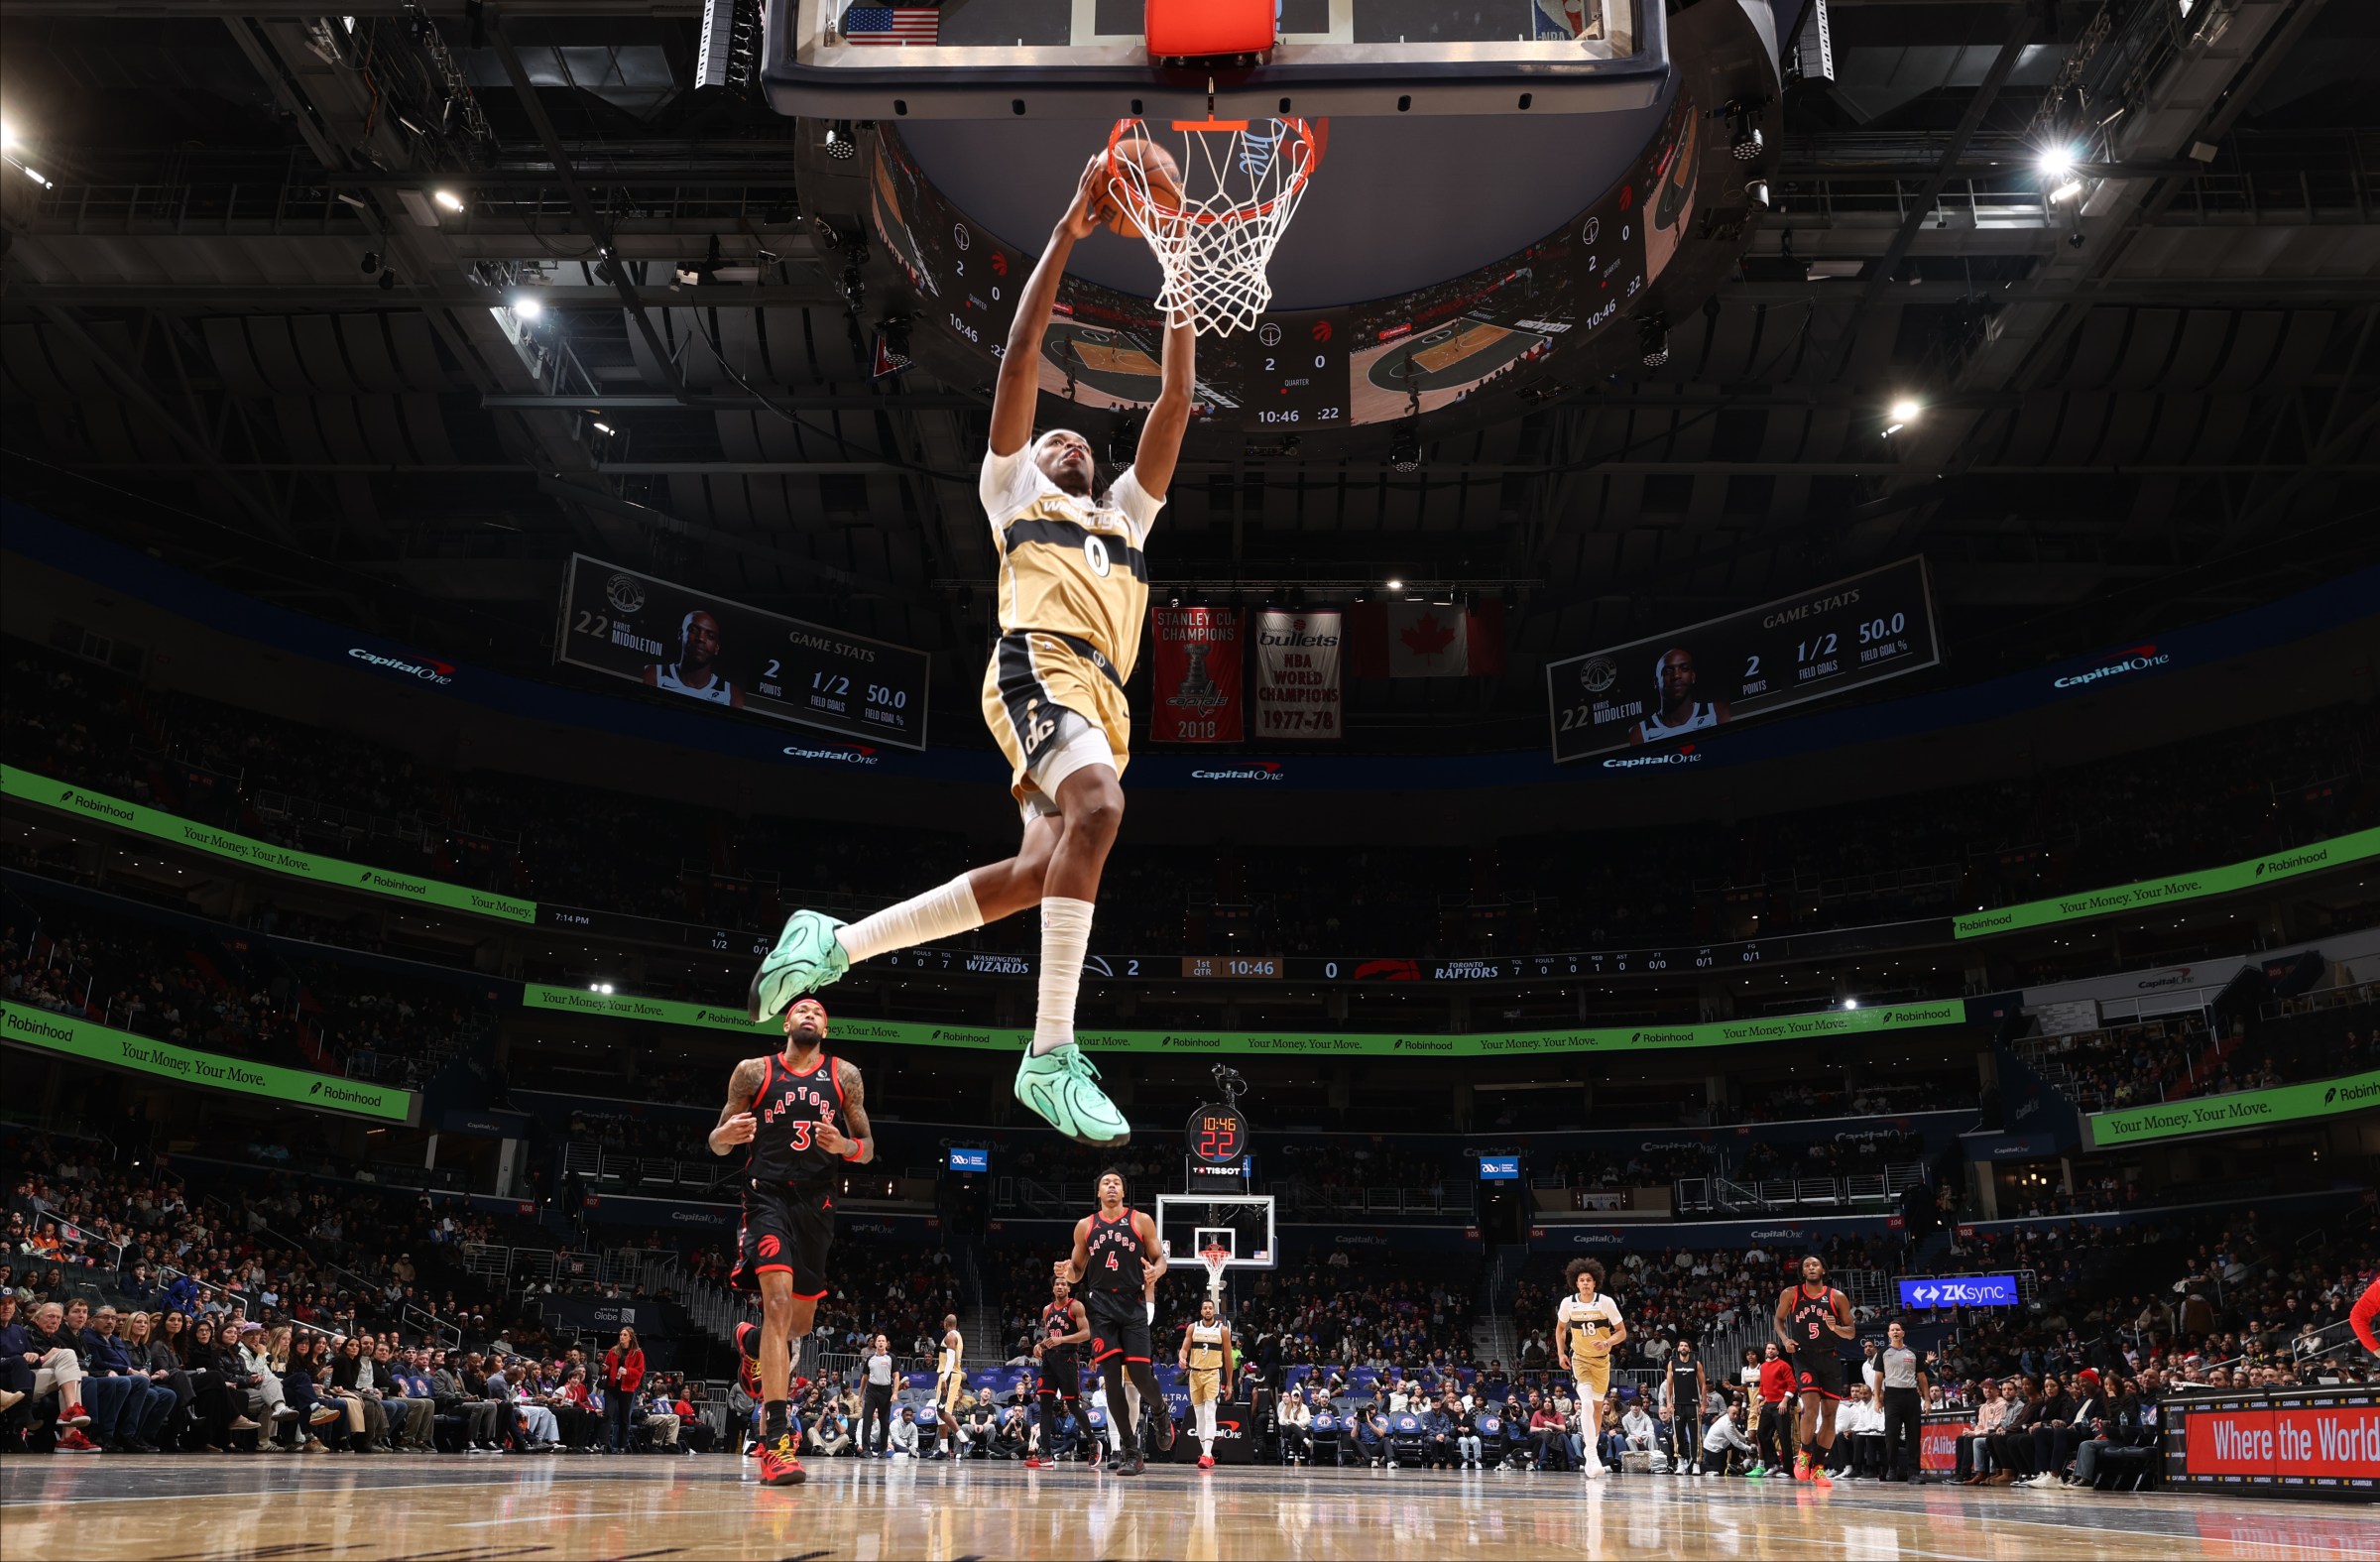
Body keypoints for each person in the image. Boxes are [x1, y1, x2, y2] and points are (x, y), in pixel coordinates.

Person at [744, 152, 1196, 1151]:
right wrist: (1073, 229)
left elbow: (1173, 403)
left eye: (1079, 440)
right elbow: (1026, 351)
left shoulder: (1125, 515)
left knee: (1042, 870)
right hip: (1040, 662)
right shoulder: (1011, 495)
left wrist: (1176, 256)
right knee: (1104, 810)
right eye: (1051, 440)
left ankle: (836, 942)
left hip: (1102, 699)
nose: (1066, 440)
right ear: (1026, 463)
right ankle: (1049, 1052)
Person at [708, 994, 875, 1489]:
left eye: (820, 1012)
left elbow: (867, 1150)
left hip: (818, 1205)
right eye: (803, 1010)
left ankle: (752, 1342)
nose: (810, 1015)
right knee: (778, 1307)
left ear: (826, 1029)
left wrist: (845, 1145)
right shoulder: (753, 1072)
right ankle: (775, 1444)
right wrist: (728, 1135)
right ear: (786, 1021)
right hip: (766, 1198)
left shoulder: (844, 1075)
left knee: (796, 1325)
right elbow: (716, 1141)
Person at [1057, 1169, 1174, 1476]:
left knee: (1139, 1373)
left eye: (1117, 1183)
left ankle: (1161, 1412)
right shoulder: (1085, 1226)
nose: (1111, 1187)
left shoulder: (1141, 1220)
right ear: (1098, 1192)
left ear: (1123, 1192)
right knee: (1111, 1378)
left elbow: (1160, 1258)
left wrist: (1157, 1272)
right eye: (1106, 1183)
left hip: (1132, 1303)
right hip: (1101, 1307)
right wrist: (1065, 1272)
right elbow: (1077, 1272)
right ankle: (1130, 1450)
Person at [1775, 1253, 1855, 1486]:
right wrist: (1784, 1339)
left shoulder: (1837, 1297)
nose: (1811, 1268)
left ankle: (1818, 1467)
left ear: (1823, 1271)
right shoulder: (1791, 1294)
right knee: (1810, 1407)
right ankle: (1805, 1454)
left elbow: (1850, 1332)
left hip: (1829, 1357)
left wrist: (1836, 1328)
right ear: (1802, 1272)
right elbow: (1778, 1320)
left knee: (1830, 1415)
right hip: (1804, 1357)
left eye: (1815, 1265)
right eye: (1807, 1265)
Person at [1551, 1258, 1624, 1479]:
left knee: (1596, 1407)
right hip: (1580, 1358)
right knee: (1585, 1402)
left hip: (1601, 1360)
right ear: (1575, 1282)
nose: (1584, 1283)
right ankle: (1591, 1454)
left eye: (1588, 1280)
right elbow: (1560, 1329)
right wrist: (1561, 1352)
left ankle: (1590, 1448)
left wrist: (1607, 1343)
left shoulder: (1606, 1302)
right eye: (1581, 1280)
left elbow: (1622, 1332)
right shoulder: (1568, 1303)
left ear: (1595, 1283)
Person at [1027, 1275, 1089, 1468]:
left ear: (1069, 1288)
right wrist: (1040, 1347)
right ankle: (1045, 1454)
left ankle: (1093, 1442)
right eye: (1057, 1284)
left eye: (1064, 1284)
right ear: (1053, 1288)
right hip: (1049, 1361)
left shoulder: (1076, 1306)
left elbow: (1086, 1333)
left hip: (1068, 1359)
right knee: (1045, 1406)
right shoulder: (1047, 1310)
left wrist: (1063, 1340)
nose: (1060, 1287)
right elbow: (1048, 1337)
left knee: (1072, 1406)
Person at [1625, 647, 1731, 745]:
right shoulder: (1640, 733)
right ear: (1655, 682)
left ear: (1693, 677)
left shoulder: (1718, 712)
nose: (1676, 675)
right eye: (1668, 671)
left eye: (1684, 668)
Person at [641, 609, 744, 707]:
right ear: (680, 634)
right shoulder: (654, 674)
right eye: (693, 630)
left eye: (710, 636)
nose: (701, 638)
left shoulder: (731, 694)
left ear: (716, 648)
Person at [1178, 1295, 1235, 1470]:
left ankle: (1207, 1454)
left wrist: (1230, 1382)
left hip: (1212, 1374)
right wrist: (1182, 1358)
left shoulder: (1222, 1330)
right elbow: (1184, 1349)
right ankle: (1206, 1454)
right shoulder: (1193, 1328)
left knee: (1210, 1412)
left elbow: (1228, 1357)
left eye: (1210, 1308)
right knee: (1199, 1417)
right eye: (1205, 1308)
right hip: (1194, 1374)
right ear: (1201, 1311)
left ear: (1214, 1311)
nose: (1208, 1310)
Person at [1876, 1320, 1929, 1482]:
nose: (1895, 1332)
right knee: (1891, 1435)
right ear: (1889, 1334)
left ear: (1903, 1333)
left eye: (1898, 1329)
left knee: (1914, 1435)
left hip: (1911, 1395)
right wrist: (1877, 1399)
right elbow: (1878, 1377)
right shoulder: (1883, 1352)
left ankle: (1914, 1473)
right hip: (1892, 1396)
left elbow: (1922, 1378)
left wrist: (1927, 1400)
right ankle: (1892, 1469)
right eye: (1892, 1330)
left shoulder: (1913, 1353)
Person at [1662, 1337, 1707, 1481]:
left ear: (1689, 1349)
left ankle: (1696, 1463)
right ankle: (1680, 1462)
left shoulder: (1696, 1363)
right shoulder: (1672, 1363)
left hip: (1693, 1404)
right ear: (1678, 1348)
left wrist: (1704, 1403)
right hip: (1677, 1404)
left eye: (1686, 1346)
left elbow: (1703, 1385)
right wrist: (1669, 1402)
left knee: (1695, 1435)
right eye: (1681, 1345)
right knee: (1678, 1435)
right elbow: (1669, 1384)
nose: (1683, 1347)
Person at [601, 1327, 646, 1455]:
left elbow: (639, 1372)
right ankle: (603, 1444)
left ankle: (621, 1446)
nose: (622, 1337)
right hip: (612, 1386)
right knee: (608, 1414)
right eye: (620, 1334)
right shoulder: (613, 1351)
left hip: (627, 1388)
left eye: (625, 1335)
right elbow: (607, 1366)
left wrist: (627, 1372)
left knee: (624, 1418)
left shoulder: (637, 1353)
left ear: (630, 1337)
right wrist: (604, 1368)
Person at [1753, 1339, 1793, 1476]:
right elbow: (1763, 1386)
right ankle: (1774, 1464)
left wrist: (1784, 1401)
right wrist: (1758, 1402)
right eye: (1768, 1348)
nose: (1770, 1350)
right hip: (1768, 1404)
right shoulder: (1763, 1366)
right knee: (1762, 1434)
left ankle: (1788, 1469)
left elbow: (1792, 1385)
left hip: (1781, 1404)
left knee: (1784, 1437)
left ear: (1777, 1351)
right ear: (1765, 1351)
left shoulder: (1784, 1365)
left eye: (1773, 1349)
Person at [933, 1315, 967, 1459]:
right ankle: (943, 1448)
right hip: (949, 1374)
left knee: (942, 1411)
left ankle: (965, 1440)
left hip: (949, 1375)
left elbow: (951, 1359)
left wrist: (944, 1379)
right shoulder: (957, 1335)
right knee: (940, 1412)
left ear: (945, 1323)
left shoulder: (950, 1336)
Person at [857, 1334, 895, 1456]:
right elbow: (864, 1378)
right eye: (878, 1341)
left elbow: (897, 1376)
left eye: (883, 1341)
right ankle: (866, 1449)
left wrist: (895, 1393)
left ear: (886, 1343)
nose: (880, 1343)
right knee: (867, 1419)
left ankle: (883, 1449)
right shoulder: (870, 1359)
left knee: (884, 1421)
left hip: (885, 1391)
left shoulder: (891, 1358)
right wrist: (860, 1395)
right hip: (871, 1390)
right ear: (875, 1343)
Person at [1699, 1399, 1758, 1476]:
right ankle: (1700, 1467)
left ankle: (1735, 1463)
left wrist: (1746, 1439)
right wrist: (1750, 1449)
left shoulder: (1730, 1420)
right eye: (1733, 1414)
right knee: (1720, 1470)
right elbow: (1736, 1442)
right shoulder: (1726, 1424)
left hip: (1721, 1445)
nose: (1736, 1416)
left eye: (1737, 1414)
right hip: (1712, 1448)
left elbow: (1737, 1433)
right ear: (1728, 1412)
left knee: (1738, 1446)